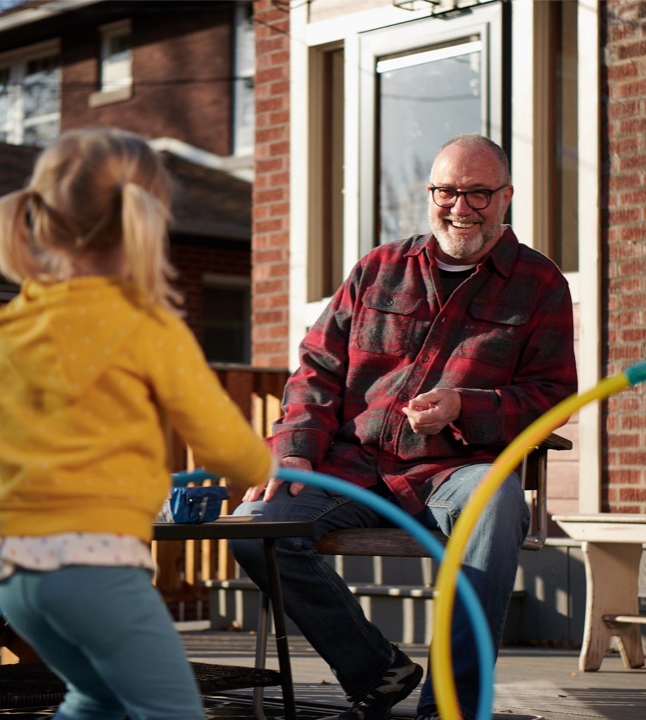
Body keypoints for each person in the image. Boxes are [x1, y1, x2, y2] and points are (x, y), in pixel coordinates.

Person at [230, 134, 578, 720]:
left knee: (497, 499)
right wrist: (295, 450)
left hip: (455, 471)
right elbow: (316, 369)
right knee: (250, 527)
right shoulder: (378, 268)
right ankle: (377, 669)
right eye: (447, 191)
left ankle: (450, 706)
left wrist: (465, 405)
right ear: (430, 193)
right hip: (353, 465)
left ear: (507, 196)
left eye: (479, 193)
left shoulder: (541, 285)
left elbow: (553, 396)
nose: (460, 207)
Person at [0, 127, 277, 720]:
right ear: (146, 223)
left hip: (14, 576)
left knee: (97, 699)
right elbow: (220, 439)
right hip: (94, 571)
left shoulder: (10, 327)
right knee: (173, 710)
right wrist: (263, 465)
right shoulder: (145, 324)